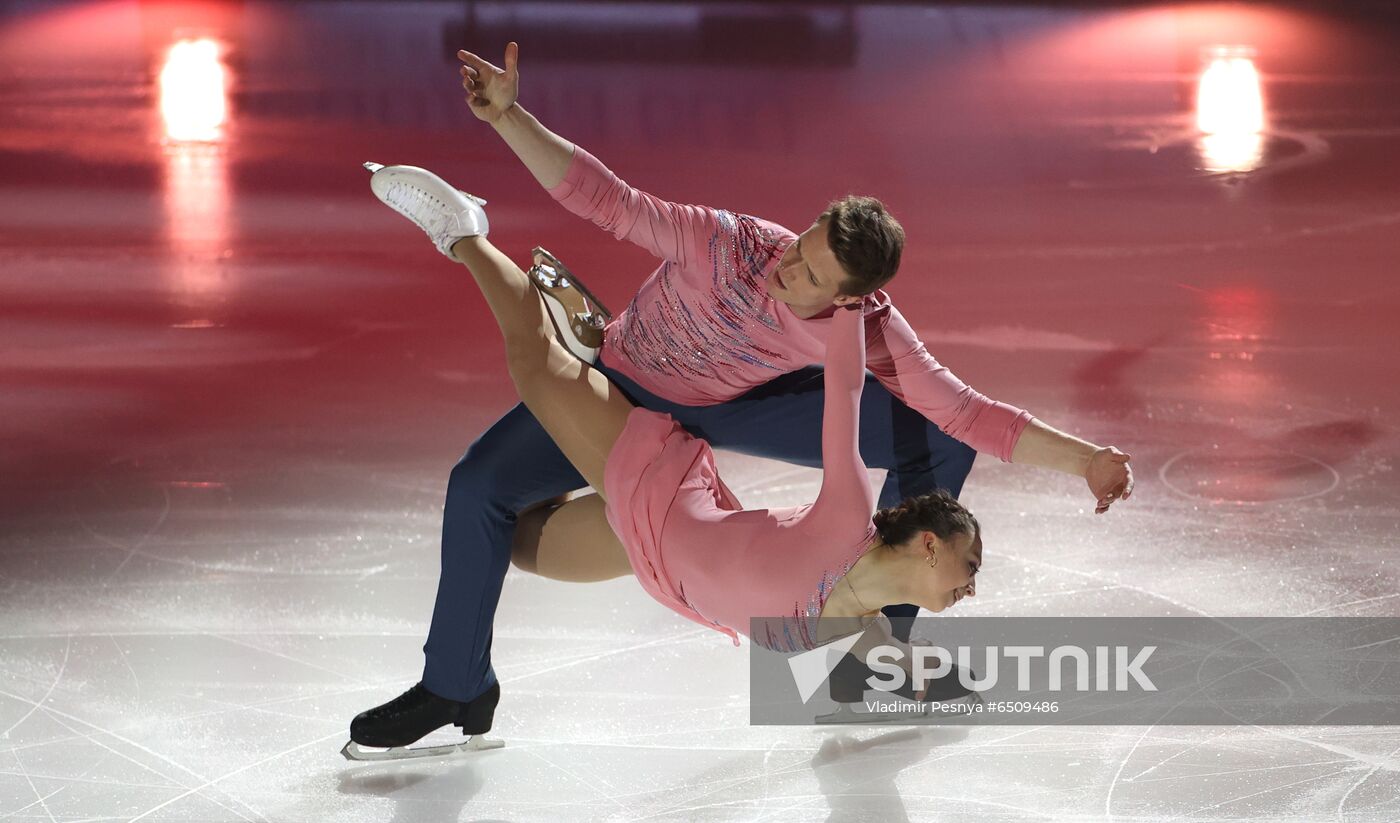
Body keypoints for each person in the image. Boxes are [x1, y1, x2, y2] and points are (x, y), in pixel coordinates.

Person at [347, 42, 1133, 754]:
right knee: (481, 492)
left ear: (850, 301)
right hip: (632, 377)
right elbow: (607, 199)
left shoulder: (870, 328)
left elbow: (967, 411)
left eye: (813, 279)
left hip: (737, 403)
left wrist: (1088, 458)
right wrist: (510, 117)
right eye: (802, 247)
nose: (788, 270)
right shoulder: (726, 243)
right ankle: (458, 683)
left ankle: (868, 653)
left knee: (939, 438)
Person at [347, 168, 987, 759]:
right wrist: (849, 316)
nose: (972, 587)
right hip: (661, 482)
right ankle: (464, 233)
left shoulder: (864, 640)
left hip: (661, 564)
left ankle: (466, 683)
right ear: (925, 544)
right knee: (528, 375)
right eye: (968, 565)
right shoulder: (848, 517)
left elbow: (957, 689)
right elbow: (844, 395)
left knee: (516, 542)